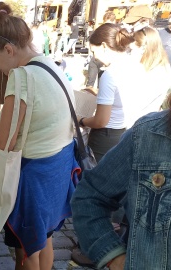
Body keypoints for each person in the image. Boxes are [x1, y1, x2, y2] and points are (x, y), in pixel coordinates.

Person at [0, 3, 78, 269]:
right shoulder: (51, 65)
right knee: (44, 237)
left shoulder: (21, 77)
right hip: (58, 166)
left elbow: (4, 142)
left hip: (35, 173)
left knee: (27, 250)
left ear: (9, 50)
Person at [71, 95, 171, 269]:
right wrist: (114, 257)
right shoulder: (146, 135)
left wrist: (81, 120)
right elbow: (90, 196)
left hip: (115, 132)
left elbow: (101, 119)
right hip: (129, 138)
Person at [79, 24, 145, 162]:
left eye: (93, 52)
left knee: (93, 178)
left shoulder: (109, 75)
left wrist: (81, 120)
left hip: (105, 137)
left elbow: (101, 121)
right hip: (125, 130)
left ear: (103, 46)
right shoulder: (135, 64)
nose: (95, 57)